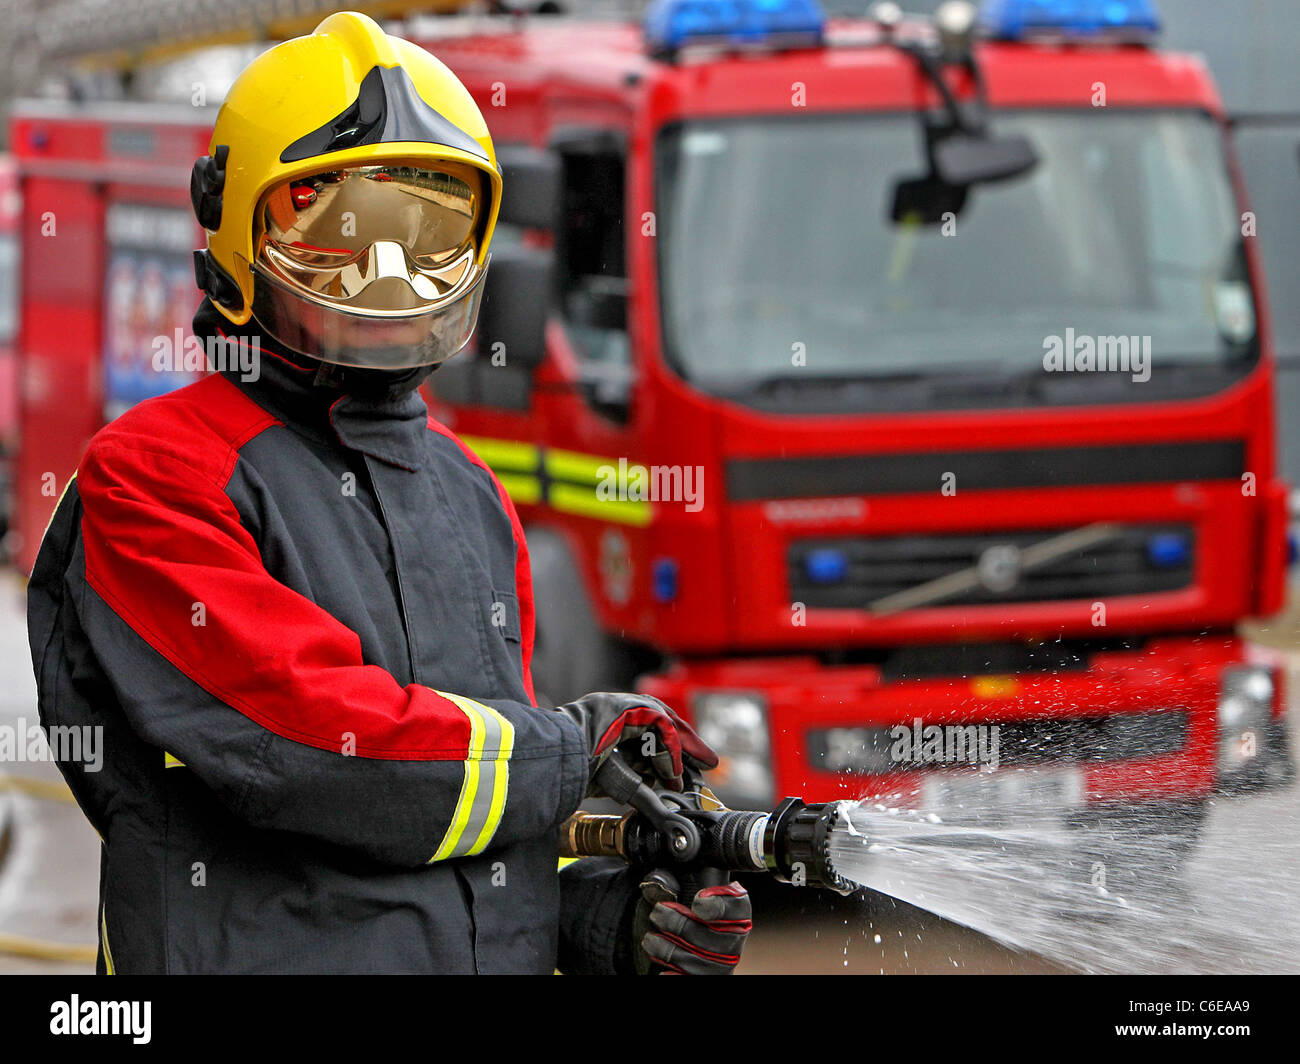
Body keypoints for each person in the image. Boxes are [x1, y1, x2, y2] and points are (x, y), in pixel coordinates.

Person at [26, 11, 750, 975]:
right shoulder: (157, 474)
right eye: (336, 240)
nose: (389, 280)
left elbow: (449, 827)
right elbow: (324, 755)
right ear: (237, 235)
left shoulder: (467, 489)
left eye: (424, 237)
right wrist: (571, 753)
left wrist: (609, 926)